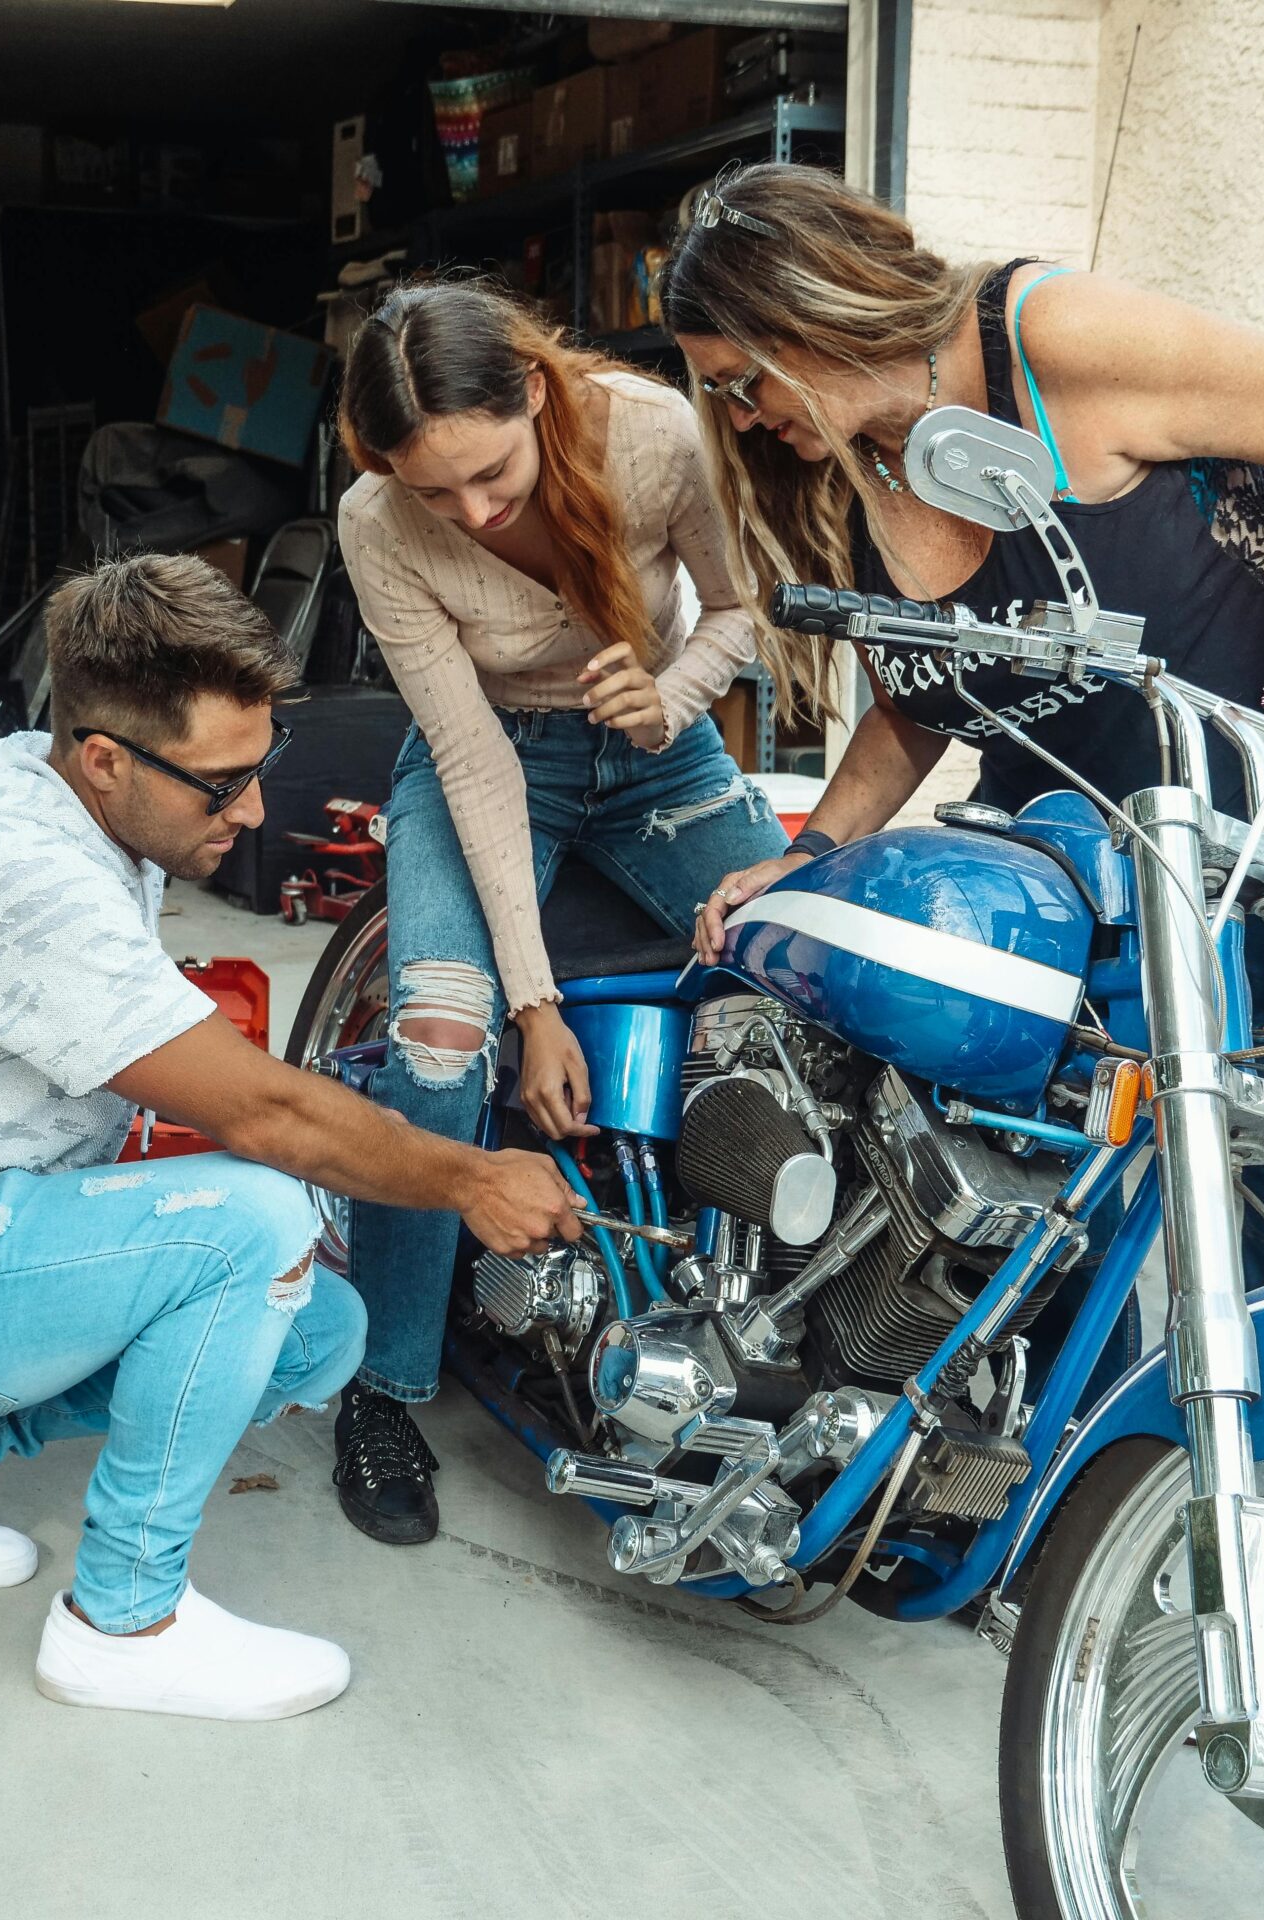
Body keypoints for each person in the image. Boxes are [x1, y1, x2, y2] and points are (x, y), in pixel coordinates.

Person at [0, 554, 580, 1723]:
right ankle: (121, 1624)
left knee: (320, 1330)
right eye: (221, 785)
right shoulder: (20, 879)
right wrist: (472, 1177)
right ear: (104, 759)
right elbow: (266, 1114)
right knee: (253, 1224)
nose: (255, 812)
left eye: (259, 767)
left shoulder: (36, 784)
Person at [671, 163, 1264, 1281]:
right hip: (1063, 838)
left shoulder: (1047, 338)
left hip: (1250, 802)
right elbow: (919, 701)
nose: (742, 416)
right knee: (1035, 1158)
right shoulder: (852, 460)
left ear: (807, 317)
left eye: (738, 379)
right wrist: (807, 850)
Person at [328, 281, 792, 1545]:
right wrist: (529, 1011)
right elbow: (472, 762)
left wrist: (676, 692)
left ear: (534, 393)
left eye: (489, 476)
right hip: (490, 765)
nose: (471, 513)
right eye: (437, 493)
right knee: (436, 1041)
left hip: (658, 755)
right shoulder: (375, 523)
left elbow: (743, 609)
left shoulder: (651, 434)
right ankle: (383, 1385)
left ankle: (774, 1336)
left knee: (806, 982)